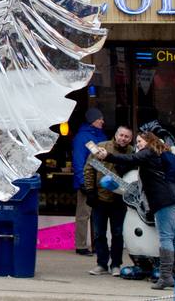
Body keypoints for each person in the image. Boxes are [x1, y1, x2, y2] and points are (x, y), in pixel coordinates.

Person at [97, 131, 175, 290]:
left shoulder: (149, 152)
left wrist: (107, 156)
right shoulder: (165, 153)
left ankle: (165, 277)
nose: (138, 145)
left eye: (140, 141)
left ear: (149, 141)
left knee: (166, 237)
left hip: (166, 199)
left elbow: (130, 158)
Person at [84, 125, 133, 276]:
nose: (123, 139)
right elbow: (89, 169)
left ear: (130, 139)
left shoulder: (133, 152)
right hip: (100, 198)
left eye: (126, 137)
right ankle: (101, 263)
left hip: (119, 200)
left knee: (117, 234)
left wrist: (129, 167)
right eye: (121, 135)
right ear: (116, 134)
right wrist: (90, 191)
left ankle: (116, 264)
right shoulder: (101, 147)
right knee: (99, 233)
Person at [72, 107, 105, 255]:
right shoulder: (81, 137)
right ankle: (80, 245)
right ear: (92, 120)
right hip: (86, 181)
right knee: (83, 214)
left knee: (98, 215)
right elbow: (78, 162)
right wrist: (82, 181)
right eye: (99, 119)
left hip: (100, 182)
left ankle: (97, 245)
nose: (102, 121)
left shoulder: (102, 136)